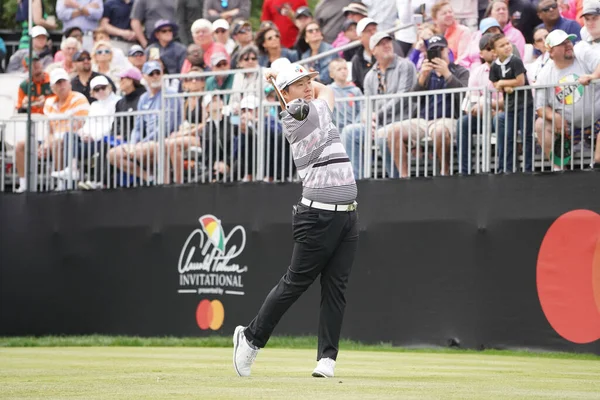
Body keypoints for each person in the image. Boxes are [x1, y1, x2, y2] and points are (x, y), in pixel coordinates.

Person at [233, 63, 358, 379]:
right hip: (316, 216)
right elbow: (321, 93)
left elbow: (322, 90)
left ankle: (327, 359)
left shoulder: (312, 106)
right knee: (294, 284)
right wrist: (286, 80)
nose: (307, 86)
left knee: (336, 289)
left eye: (308, 82)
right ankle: (250, 337)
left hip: (347, 215)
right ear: (285, 93)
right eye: (299, 83)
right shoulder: (297, 117)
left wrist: (285, 76)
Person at [14, 68, 90, 193]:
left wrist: (51, 141)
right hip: (53, 140)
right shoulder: (49, 103)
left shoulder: (79, 98)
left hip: (73, 140)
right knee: (21, 145)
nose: (61, 86)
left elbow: (78, 125)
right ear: (52, 88)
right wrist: (45, 144)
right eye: (58, 83)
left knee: (56, 142)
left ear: (69, 83)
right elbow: (50, 130)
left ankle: (61, 184)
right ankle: (24, 184)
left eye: (63, 82)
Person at [534, 29, 600, 170]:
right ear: (551, 52)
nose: (568, 45)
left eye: (568, 41)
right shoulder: (544, 74)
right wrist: (554, 116)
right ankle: (557, 168)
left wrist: (593, 76)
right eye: (562, 44)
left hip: (596, 120)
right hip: (567, 126)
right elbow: (540, 108)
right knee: (541, 124)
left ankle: (597, 165)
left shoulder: (582, 54)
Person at [489, 32, 533, 173]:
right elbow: (495, 83)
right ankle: (508, 169)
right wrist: (504, 86)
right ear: (494, 51)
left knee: (527, 136)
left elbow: (520, 81)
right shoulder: (495, 66)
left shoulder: (515, 61)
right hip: (509, 106)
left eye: (507, 43)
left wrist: (504, 83)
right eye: (502, 46)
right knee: (508, 137)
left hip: (525, 104)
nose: (507, 47)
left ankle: (528, 168)